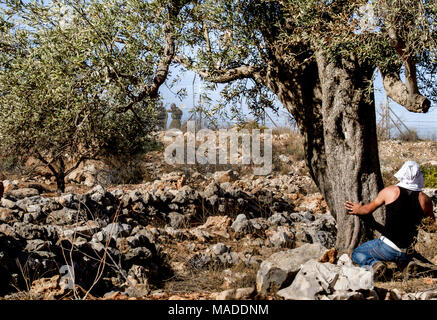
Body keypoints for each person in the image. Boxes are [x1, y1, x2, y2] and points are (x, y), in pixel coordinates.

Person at [344, 160, 434, 278]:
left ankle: (375, 265)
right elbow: (431, 228)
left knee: (357, 253)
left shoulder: (390, 191)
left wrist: (357, 209)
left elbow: (367, 210)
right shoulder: (426, 200)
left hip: (387, 248)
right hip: (407, 251)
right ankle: (406, 265)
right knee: (403, 254)